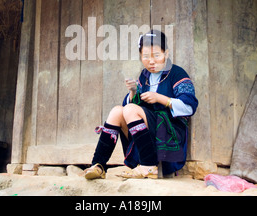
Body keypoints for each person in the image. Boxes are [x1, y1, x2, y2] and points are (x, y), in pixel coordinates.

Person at [84, 30, 198, 180]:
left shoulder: (177, 73)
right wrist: (133, 92)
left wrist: (160, 98)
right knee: (117, 111)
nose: (151, 61)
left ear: (167, 53)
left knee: (130, 110)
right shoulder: (144, 76)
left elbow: (189, 107)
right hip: (147, 131)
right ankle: (99, 165)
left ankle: (149, 166)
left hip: (168, 131)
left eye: (156, 55)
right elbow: (130, 107)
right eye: (145, 56)